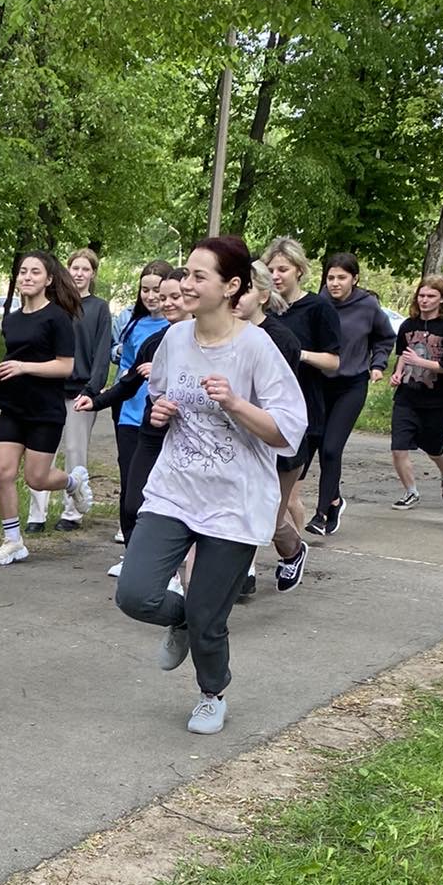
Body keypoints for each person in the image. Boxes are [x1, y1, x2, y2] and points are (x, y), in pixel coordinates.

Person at [115, 235, 306, 736]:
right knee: (134, 594)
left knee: (209, 615)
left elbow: (289, 431)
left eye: (199, 277)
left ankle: (211, 692)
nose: (186, 284)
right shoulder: (175, 339)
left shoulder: (256, 347)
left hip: (234, 500)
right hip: (176, 488)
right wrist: (161, 413)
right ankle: (186, 621)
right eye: (187, 274)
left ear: (232, 287)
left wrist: (237, 404)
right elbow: (161, 398)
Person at [0, 252, 92, 564]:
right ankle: (13, 540)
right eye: (23, 272)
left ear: (48, 280)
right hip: (13, 405)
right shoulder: (13, 318)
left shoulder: (57, 317)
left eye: (35, 272)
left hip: (45, 409)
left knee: (37, 478)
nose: (27, 277)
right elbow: (15, 356)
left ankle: (73, 481)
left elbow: (65, 367)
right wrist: (1, 371)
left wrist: (23, 367)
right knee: (1, 472)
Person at [75, 270, 183, 559]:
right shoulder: (152, 340)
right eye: (164, 297)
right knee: (134, 499)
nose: (167, 302)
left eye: (176, 296)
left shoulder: (209, 341)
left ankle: (173, 564)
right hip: (144, 426)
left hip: (185, 435)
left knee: (175, 502)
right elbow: (127, 383)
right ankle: (135, 556)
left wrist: (164, 374)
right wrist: (95, 401)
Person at [25, 248, 112, 532]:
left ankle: (72, 513)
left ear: (92, 274)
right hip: (49, 389)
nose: (79, 273)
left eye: (85, 269)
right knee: (41, 451)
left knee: (75, 451)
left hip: (80, 391)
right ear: (67, 270)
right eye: (75, 268)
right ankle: (36, 514)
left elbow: (102, 353)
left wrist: (92, 390)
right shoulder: (55, 305)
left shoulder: (99, 308)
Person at [307, 253, 395, 536]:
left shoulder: (368, 306)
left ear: (354, 279)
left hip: (352, 384)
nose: (334, 283)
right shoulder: (318, 304)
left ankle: (321, 515)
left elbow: (385, 337)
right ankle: (334, 500)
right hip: (320, 384)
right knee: (317, 443)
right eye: (330, 277)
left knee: (332, 448)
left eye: (341, 278)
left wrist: (378, 363)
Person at [234, 262, 307, 594]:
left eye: (246, 289)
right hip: (236, 439)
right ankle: (240, 575)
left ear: (263, 294)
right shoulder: (222, 330)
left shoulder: (280, 339)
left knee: (266, 517)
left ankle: (292, 550)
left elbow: (277, 401)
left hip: (276, 442)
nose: (236, 297)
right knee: (240, 510)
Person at [262, 239, 341, 543]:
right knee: (267, 496)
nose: (276, 275)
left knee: (288, 497)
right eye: (270, 269)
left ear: (299, 270)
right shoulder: (262, 307)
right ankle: (288, 552)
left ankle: (295, 551)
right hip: (264, 410)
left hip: (303, 409)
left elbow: (333, 361)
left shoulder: (318, 307)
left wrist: (298, 354)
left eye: (283, 269)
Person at [388, 276, 443, 507]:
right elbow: (403, 354)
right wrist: (398, 373)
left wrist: (420, 362)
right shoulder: (408, 325)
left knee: (434, 448)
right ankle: (411, 491)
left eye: (431, 296)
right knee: (398, 447)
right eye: (421, 295)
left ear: (442, 298)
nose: (425, 300)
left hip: (437, 399)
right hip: (407, 397)